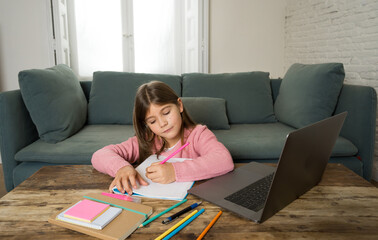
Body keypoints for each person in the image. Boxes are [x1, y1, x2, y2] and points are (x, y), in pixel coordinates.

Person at [91, 81, 234, 195]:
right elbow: (99, 155)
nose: (162, 123)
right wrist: (121, 168)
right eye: (152, 121)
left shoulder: (198, 135)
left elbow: (223, 160)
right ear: (146, 124)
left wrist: (174, 171)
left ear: (179, 105)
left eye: (166, 112)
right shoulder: (146, 140)